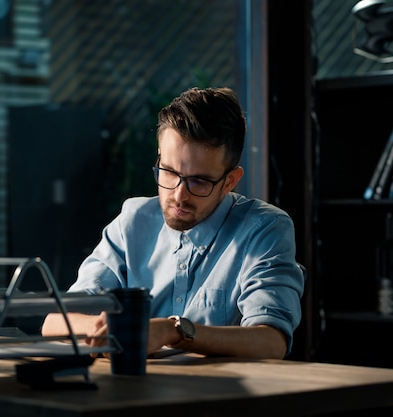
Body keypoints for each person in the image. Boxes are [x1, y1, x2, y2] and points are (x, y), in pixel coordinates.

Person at [41, 86, 305, 360]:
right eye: (168, 172)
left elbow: (271, 341)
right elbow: (54, 322)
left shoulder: (264, 229)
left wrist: (174, 331)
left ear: (230, 181)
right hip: (130, 393)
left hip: (217, 398)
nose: (179, 195)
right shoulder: (132, 221)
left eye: (199, 181)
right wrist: (108, 329)